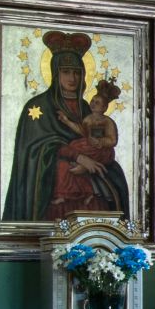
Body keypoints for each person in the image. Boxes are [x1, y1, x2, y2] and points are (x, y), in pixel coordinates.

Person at [3, 31, 99, 221]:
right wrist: (78, 157)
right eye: (66, 72)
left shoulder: (85, 108)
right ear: (55, 73)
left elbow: (96, 141)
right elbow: (35, 149)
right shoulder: (38, 106)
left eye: (76, 72)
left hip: (86, 180)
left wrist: (90, 162)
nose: (72, 78)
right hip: (53, 188)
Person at [49, 79, 131, 217]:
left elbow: (113, 140)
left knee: (81, 163)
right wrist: (67, 121)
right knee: (69, 161)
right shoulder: (88, 119)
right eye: (92, 101)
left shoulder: (107, 122)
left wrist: (100, 142)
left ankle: (88, 193)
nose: (92, 103)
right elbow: (81, 130)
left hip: (101, 151)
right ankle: (65, 194)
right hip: (87, 147)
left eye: (97, 103)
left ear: (104, 107)